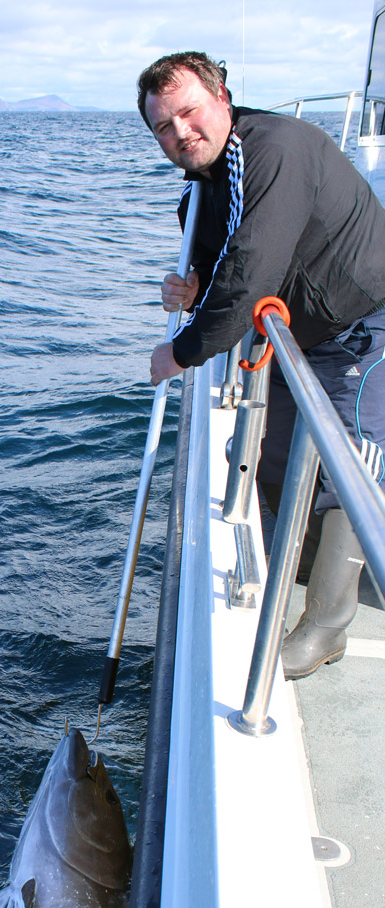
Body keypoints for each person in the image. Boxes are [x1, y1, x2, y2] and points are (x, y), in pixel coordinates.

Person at [137, 50, 385, 679]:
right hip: (306, 326)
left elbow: (247, 278)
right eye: (163, 127)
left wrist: (183, 351)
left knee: (339, 459)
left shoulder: (275, 147)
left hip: (364, 324)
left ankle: (327, 626)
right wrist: (193, 291)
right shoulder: (217, 171)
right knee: (275, 446)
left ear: (223, 96)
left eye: (188, 113)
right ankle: (303, 562)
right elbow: (224, 253)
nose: (179, 134)